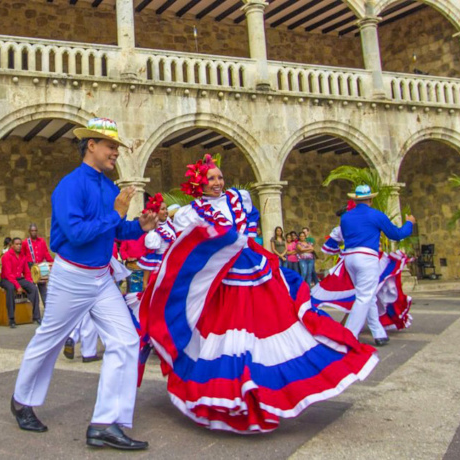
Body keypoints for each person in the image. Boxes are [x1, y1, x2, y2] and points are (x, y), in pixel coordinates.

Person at [138, 154, 378, 433]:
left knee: (270, 326)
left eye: (220, 177)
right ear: (199, 184)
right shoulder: (190, 213)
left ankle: (265, 388)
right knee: (227, 336)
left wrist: (241, 240)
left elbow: (249, 224)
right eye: (211, 179)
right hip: (223, 284)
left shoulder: (239, 199)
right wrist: (154, 235)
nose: (218, 182)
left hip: (255, 273)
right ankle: (231, 393)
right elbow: (169, 240)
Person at [10, 117, 157, 450]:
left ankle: (105, 423)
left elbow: (115, 232)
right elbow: (75, 234)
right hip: (71, 276)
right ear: (91, 145)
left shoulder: (108, 187)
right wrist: (117, 214)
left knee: (126, 340)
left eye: (117, 147)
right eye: (111, 146)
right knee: (49, 338)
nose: (116, 152)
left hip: (101, 277)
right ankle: (22, 400)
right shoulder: (70, 185)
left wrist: (140, 226)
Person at [340, 185, 415, 345]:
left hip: (350, 257)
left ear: (355, 199)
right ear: (371, 199)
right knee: (364, 297)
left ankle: (378, 333)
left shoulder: (346, 217)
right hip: (367, 257)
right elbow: (396, 234)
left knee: (369, 296)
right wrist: (409, 224)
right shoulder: (376, 215)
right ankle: (348, 335)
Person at [1, 237, 40, 328]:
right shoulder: (6, 256)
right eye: (17, 244)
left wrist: (29, 281)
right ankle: (11, 319)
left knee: (33, 288)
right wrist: (17, 286)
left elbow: (26, 271)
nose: (19, 246)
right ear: (12, 245)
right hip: (6, 279)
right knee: (10, 288)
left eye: (20, 244)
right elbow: (9, 274)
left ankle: (36, 317)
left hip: (18, 278)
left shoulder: (23, 256)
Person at [137, 194, 176, 273]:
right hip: (161, 267)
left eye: (166, 209)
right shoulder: (153, 233)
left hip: (173, 262)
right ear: (156, 212)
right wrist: (145, 283)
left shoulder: (169, 223)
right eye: (162, 209)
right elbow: (150, 258)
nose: (166, 211)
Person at [21, 224, 54, 308]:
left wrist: (52, 262)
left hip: (41, 267)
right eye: (32, 231)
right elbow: (23, 256)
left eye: (35, 230)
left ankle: (47, 311)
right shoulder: (25, 242)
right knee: (32, 290)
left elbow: (46, 253)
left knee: (43, 290)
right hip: (30, 268)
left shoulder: (42, 241)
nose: (34, 232)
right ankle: (33, 313)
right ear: (29, 232)